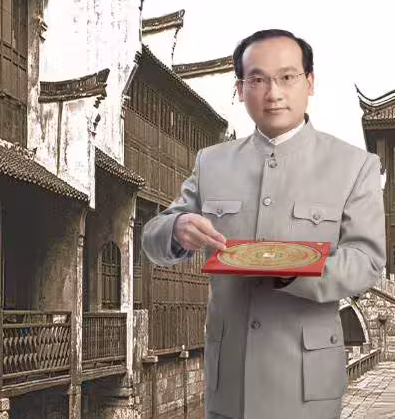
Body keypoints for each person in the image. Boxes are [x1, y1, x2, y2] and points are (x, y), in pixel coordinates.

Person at [142, 29, 386, 419]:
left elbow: (366, 261)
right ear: (240, 89)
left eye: (287, 77)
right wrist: (176, 228)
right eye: (257, 79)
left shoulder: (354, 166)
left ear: (309, 82)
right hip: (228, 383)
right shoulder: (211, 163)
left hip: (306, 387)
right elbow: (152, 238)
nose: (273, 93)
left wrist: (295, 271)